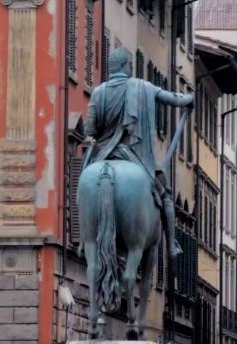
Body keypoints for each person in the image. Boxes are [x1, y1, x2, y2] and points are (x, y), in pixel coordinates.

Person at [83, 47, 193, 259]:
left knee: (85, 179)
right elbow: (173, 99)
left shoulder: (98, 92)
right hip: (134, 156)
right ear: (125, 65)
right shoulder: (143, 87)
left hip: (103, 154)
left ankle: (84, 238)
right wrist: (189, 99)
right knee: (166, 196)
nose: (132, 67)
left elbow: (89, 130)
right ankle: (171, 245)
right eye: (130, 64)